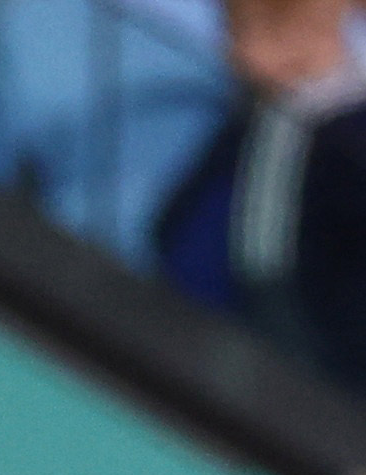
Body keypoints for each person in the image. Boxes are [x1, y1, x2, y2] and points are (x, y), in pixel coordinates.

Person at [155, 0, 366, 393]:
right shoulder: (253, 128)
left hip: (289, 401)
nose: (240, 52)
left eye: (268, 27)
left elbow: (266, 275)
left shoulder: (309, 128)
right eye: (236, 28)